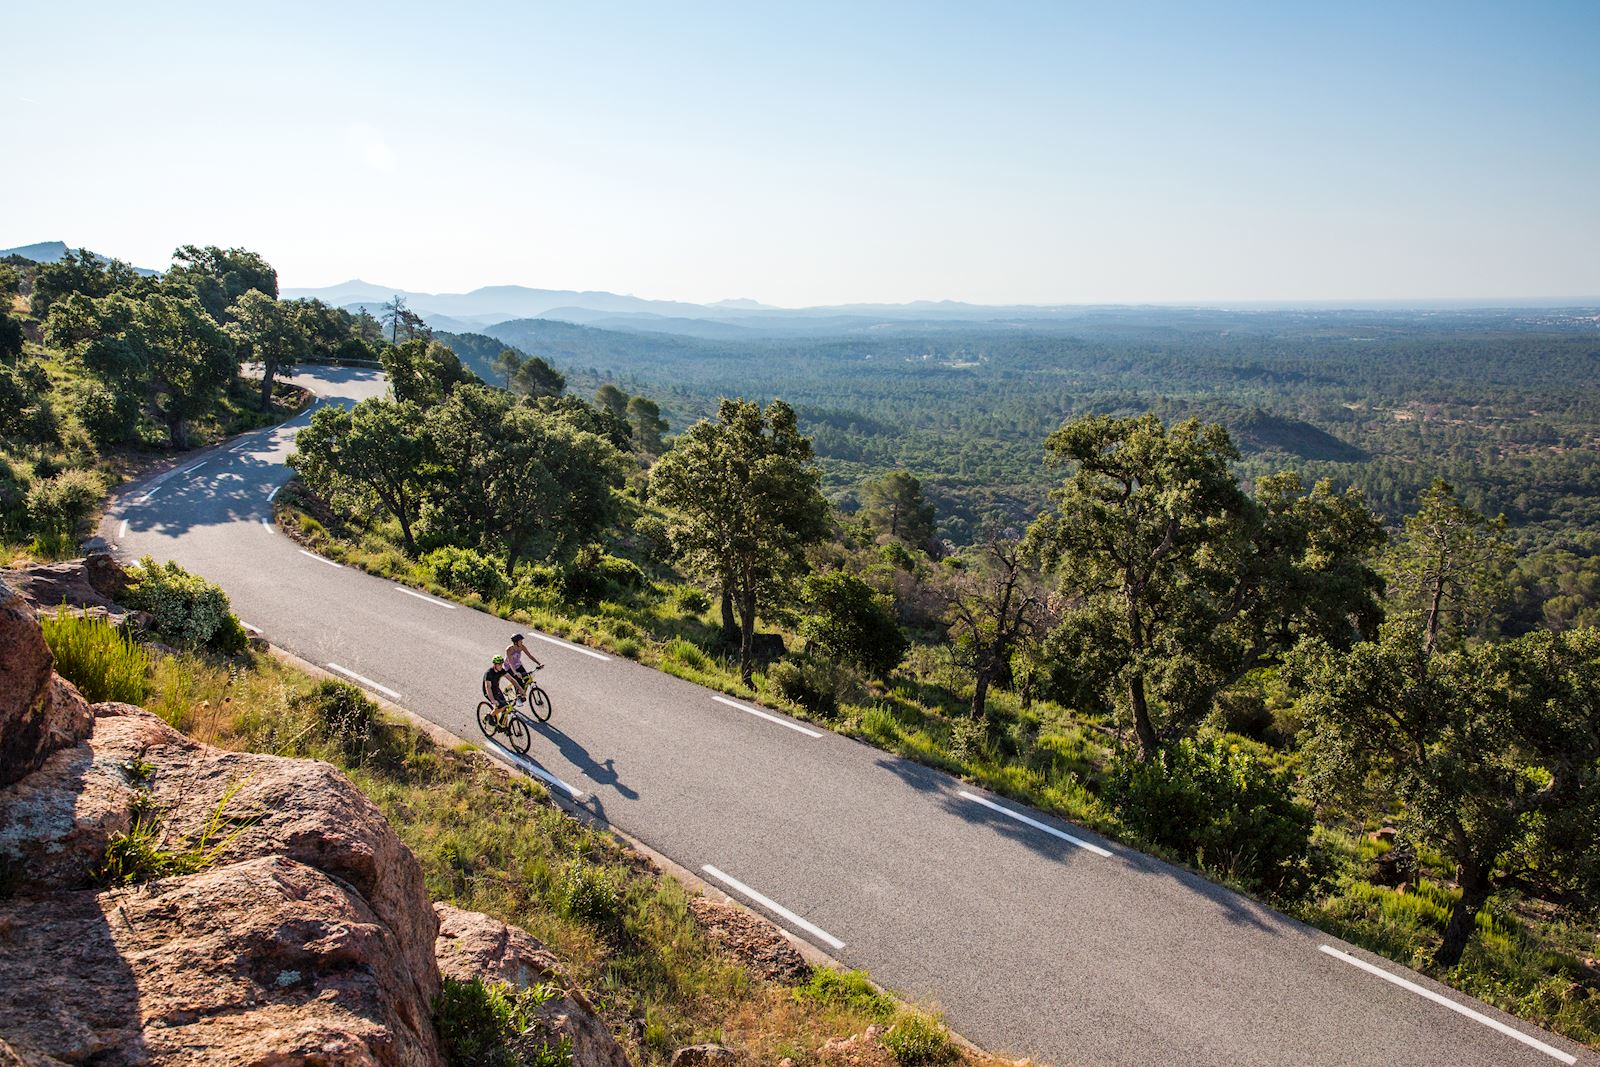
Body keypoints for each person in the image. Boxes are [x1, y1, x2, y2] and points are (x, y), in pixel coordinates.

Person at [504, 633, 544, 702]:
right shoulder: (509, 649)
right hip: (509, 667)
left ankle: (521, 693)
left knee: (527, 679)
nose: (522, 642)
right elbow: (510, 663)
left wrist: (539, 663)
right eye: (520, 641)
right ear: (516, 642)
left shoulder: (522, 647)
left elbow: (530, 656)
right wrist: (516, 673)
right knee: (518, 681)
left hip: (518, 665)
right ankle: (518, 697)